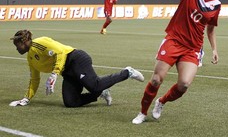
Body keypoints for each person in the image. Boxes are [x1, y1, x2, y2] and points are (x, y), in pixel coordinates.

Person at [132, 0, 222, 124]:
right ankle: (142, 112)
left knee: (184, 84)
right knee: (156, 79)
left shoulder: (216, 5)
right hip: (174, 39)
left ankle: (161, 102)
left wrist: (214, 49)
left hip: (193, 48)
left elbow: (211, 29)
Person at [9, 30, 144, 108]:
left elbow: (60, 52)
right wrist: (26, 98)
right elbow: (34, 79)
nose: (17, 49)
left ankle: (127, 72)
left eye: (17, 45)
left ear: (23, 42)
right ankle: (100, 92)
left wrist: (54, 74)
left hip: (76, 59)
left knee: (94, 84)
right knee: (70, 102)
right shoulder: (30, 58)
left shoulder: (39, 43)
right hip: (67, 72)